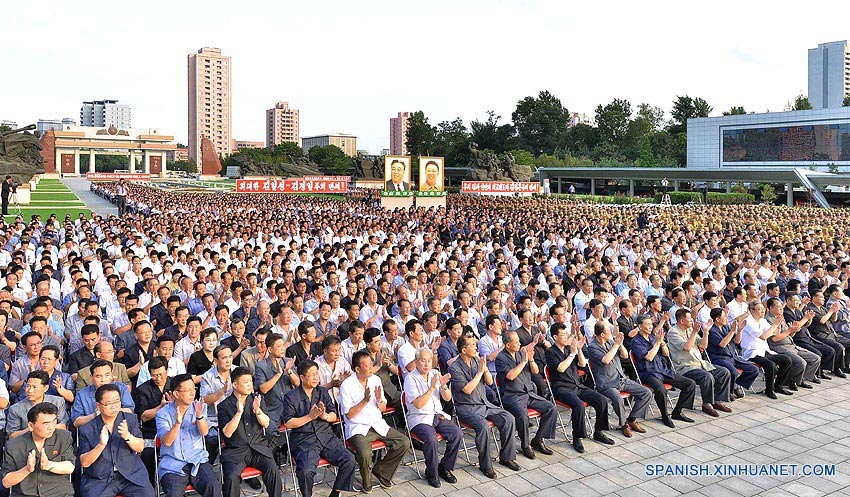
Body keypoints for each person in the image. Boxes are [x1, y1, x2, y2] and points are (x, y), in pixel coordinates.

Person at [449, 334, 519, 479]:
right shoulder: (454, 368)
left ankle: (507, 457)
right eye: (472, 345)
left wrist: (485, 369)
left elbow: (489, 383)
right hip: (466, 407)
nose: (476, 347)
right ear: (463, 350)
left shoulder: (476, 360)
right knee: (483, 426)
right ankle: (485, 465)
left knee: (509, 418)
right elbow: (467, 390)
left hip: (483, 403)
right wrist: (480, 372)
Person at [282, 359, 356, 497]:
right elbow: (288, 423)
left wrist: (325, 416)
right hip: (304, 440)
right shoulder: (291, 397)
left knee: (349, 460)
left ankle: (336, 493)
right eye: (312, 374)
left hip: (326, 436)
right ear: (302, 377)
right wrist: (310, 417)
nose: (316, 377)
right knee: (305, 471)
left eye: (317, 373)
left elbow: (334, 416)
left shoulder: (322, 392)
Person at [338, 350, 409, 492]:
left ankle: (382, 472)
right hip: (358, 427)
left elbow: (382, 408)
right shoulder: (347, 385)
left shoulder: (375, 380)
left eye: (372, 364)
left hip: (377, 423)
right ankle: (366, 480)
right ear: (357, 368)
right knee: (365, 453)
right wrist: (364, 401)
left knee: (404, 442)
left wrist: (378, 400)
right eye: (368, 366)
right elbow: (349, 415)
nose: (372, 368)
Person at [544, 322, 614, 452]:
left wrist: (579, 350)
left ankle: (598, 432)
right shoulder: (550, 352)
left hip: (576, 385)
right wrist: (572, 354)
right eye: (563, 335)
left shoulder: (568, 349)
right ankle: (577, 437)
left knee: (602, 400)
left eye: (566, 334)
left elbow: (582, 364)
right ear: (555, 337)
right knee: (579, 405)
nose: (566, 337)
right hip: (561, 388)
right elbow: (560, 368)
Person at [77, 384, 154, 497]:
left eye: (117, 401)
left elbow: (140, 447)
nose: (114, 407)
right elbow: (84, 462)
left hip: (131, 475)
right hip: (100, 479)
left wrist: (127, 436)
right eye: (109, 403)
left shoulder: (130, 419)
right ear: (98, 406)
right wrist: (101, 445)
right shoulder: (87, 428)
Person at [402, 348, 461, 488]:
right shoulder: (411, 379)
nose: (427, 364)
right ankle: (432, 473)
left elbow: (447, 399)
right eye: (423, 361)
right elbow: (418, 404)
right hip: (419, 418)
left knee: (457, 433)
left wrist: (444, 387)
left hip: (437, 414)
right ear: (416, 362)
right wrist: (432, 388)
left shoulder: (435, 373)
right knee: (431, 439)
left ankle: (445, 467)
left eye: (429, 361)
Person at [217, 367, 281, 497]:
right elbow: (227, 433)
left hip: (258, 448)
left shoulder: (257, 399)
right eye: (246, 382)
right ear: (235, 384)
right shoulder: (224, 405)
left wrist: (258, 411)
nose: (250, 385)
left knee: (273, 470)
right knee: (231, 476)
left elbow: (266, 423)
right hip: (236, 451)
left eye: (251, 381)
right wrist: (239, 412)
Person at [155, 374, 221, 497]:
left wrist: (200, 416)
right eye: (188, 390)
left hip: (197, 460)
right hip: (173, 464)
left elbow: (204, 432)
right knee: (174, 494)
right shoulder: (162, 414)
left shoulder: (199, 407)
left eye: (193, 389)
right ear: (176, 394)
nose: (192, 393)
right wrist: (177, 423)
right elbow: (167, 442)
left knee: (214, 488)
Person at [494, 330, 557, 459]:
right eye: (516, 342)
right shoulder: (501, 358)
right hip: (513, 396)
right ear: (508, 345)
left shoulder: (521, 352)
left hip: (528, 392)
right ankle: (525, 445)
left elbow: (535, 372)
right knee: (523, 416)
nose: (519, 344)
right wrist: (523, 362)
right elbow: (510, 376)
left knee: (551, 408)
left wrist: (531, 360)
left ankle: (538, 439)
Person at [586, 321, 653, 437]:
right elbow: (605, 360)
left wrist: (620, 344)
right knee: (618, 399)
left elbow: (625, 356)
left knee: (646, 392)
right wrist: (616, 345)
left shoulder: (611, 342)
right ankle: (623, 425)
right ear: (602, 334)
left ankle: (631, 419)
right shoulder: (592, 347)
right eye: (609, 331)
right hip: (606, 383)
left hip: (620, 378)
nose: (611, 333)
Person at [631, 314, 698, 427]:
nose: (650, 327)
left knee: (690, 384)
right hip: (648, 373)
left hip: (662, 369)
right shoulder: (636, 341)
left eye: (651, 324)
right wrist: (657, 343)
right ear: (640, 326)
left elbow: (666, 354)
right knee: (661, 389)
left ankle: (677, 411)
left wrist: (661, 342)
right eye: (647, 325)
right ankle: (665, 415)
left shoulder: (653, 337)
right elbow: (649, 357)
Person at [665, 309, 733, 417]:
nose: (692, 320)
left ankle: (718, 401)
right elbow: (687, 348)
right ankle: (707, 404)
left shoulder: (690, 330)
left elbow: (703, 346)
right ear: (682, 321)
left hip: (700, 363)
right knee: (707, 376)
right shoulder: (673, 332)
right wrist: (694, 332)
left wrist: (705, 332)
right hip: (685, 367)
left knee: (724, 372)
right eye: (689, 318)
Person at [1, 403, 75, 497]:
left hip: (58, 493)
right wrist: (27, 469)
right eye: (46, 423)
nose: (51, 427)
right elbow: (6, 482)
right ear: (31, 426)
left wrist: (49, 465)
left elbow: (70, 467)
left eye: (54, 421)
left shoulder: (63, 437)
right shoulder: (14, 445)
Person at [131, 355, 172, 487]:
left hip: (174, 428)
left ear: (167, 370)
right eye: (154, 375)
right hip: (151, 432)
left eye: (161, 374)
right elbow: (143, 416)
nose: (158, 378)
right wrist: (161, 407)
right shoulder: (142, 390)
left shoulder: (175, 383)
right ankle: (150, 488)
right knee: (148, 455)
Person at [741, 301, 794, 398]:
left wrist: (778, 324)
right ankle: (769, 390)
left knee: (787, 360)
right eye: (759, 309)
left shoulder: (762, 321)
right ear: (752, 311)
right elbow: (764, 336)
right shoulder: (748, 322)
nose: (762, 311)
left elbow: (774, 333)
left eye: (763, 309)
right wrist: (774, 325)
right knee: (771, 365)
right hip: (752, 353)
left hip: (764, 350)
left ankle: (778, 386)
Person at [706, 308, 760, 398]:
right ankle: (729, 392)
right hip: (719, 358)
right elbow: (722, 344)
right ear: (718, 319)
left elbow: (737, 341)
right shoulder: (711, 331)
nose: (726, 318)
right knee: (733, 372)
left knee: (753, 369)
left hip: (733, 356)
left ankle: (735, 385)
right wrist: (732, 331)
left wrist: (739, 331)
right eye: (724, 316)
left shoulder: (726, 327)